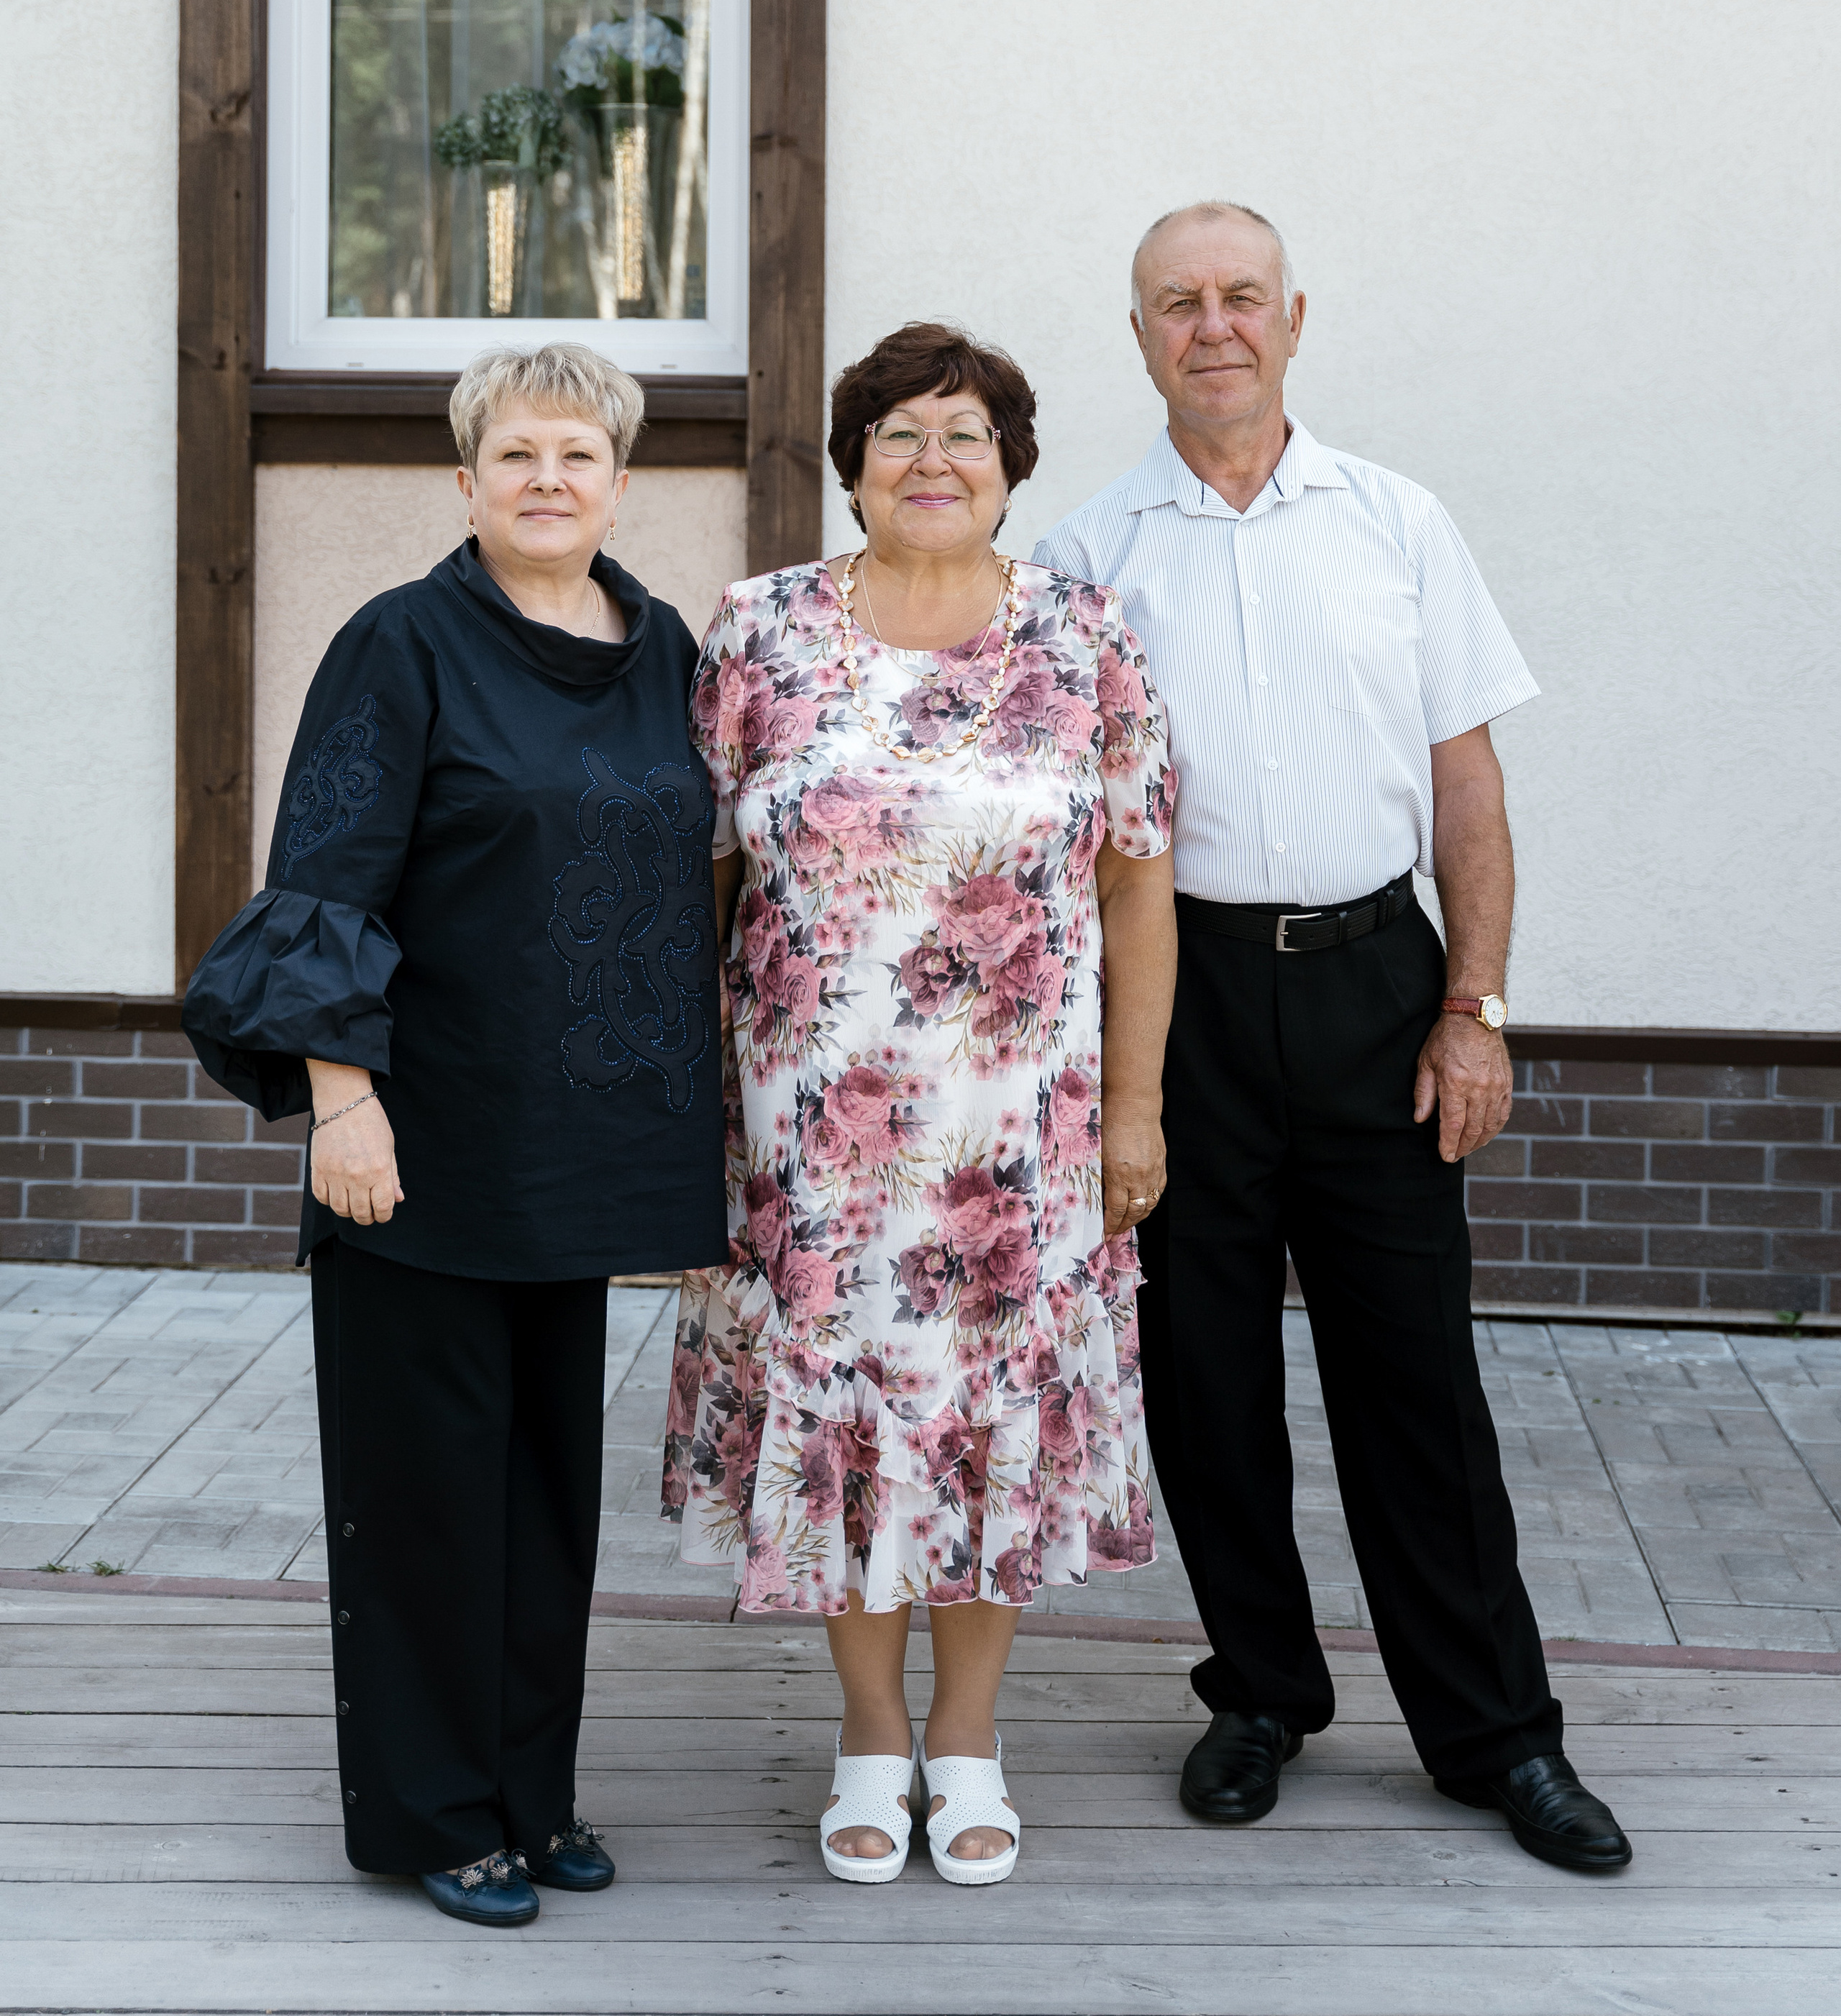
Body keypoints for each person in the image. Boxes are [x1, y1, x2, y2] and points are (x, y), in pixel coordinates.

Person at [1033, 204, 1633, 1877]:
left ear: (1293, 318)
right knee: (1202, 1378)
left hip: (1380, 987)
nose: (1209, 326)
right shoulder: (1086, 559)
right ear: (1136, 333)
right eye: (1176, 303)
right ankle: (1260, 1695)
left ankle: (1495, 1737)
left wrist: (1475, 1007)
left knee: (1413, 1387)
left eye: (1239, 298)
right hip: (1178, 1001)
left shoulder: (1396, 523)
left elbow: (1466, 795)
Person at [183, 340, 728, 1928]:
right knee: (428, 1493)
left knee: (545, 1493)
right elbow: (323, 877)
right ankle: (435, 1814)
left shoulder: (659, 645)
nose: (547, 478)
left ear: (620, 481)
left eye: (577, 453)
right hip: (418, 1147)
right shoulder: (401, 642)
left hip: (577, 1155)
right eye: (515, 454)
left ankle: (531, 1793)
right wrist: (338, 1101)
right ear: (468, 479)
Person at [663, 322, 1177, 1886]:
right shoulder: (756, 634)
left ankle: (967, 1736)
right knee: (852, 1430)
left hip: (1021, 1136)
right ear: (853, 464)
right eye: (898, 435)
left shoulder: (1088, 637)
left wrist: (1139, 1114)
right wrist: (681, 1113)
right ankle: (869, 1736)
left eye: (964, 435)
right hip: (810, 1140)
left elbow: (1138, 888)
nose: (932, 462)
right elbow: (689, 876)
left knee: (985, 1430)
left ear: (1011, 465)